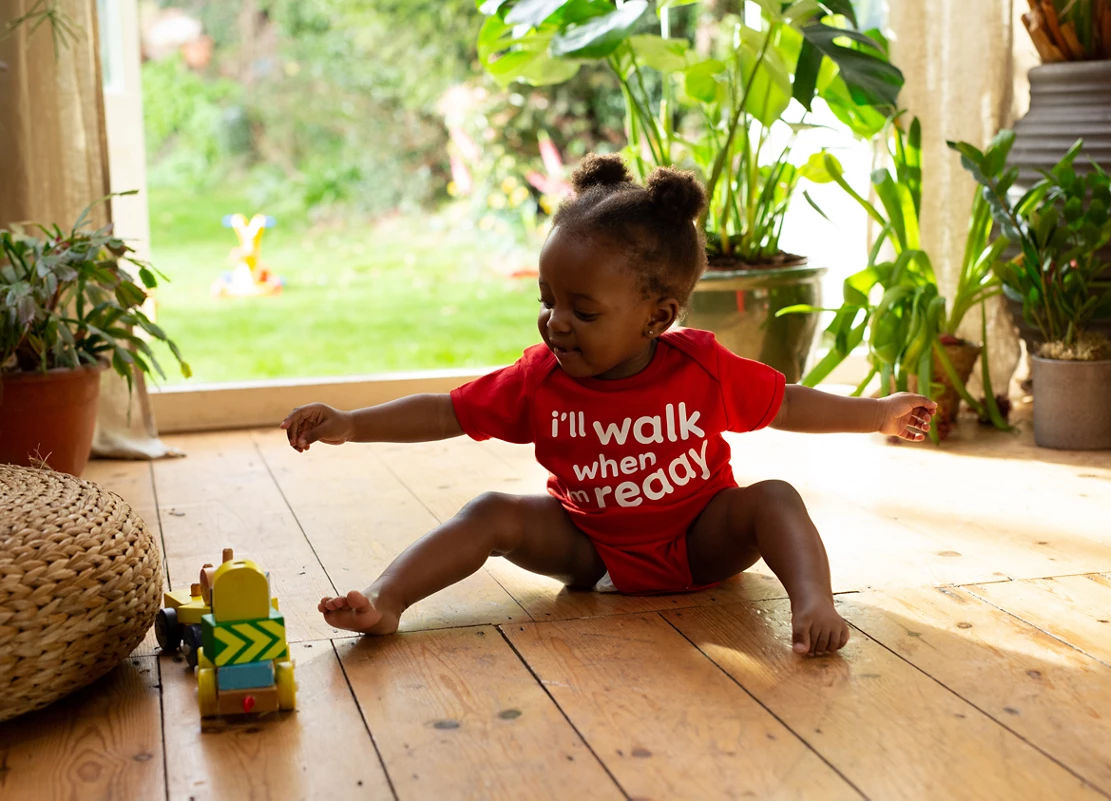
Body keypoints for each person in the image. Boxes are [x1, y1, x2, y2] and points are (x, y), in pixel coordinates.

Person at [280, 154, 936, 656]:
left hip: (699, 539)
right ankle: (388, 600)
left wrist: (876, 411)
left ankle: (814, 604)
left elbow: (786, 402)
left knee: (775, 497)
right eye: (548, 299)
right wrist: (352, 424)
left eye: (583, 310)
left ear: (659, 316)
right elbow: (447, 411)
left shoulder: (701, 365)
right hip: (590, 544)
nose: (555, 323)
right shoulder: (541, 378)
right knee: (488, 512)